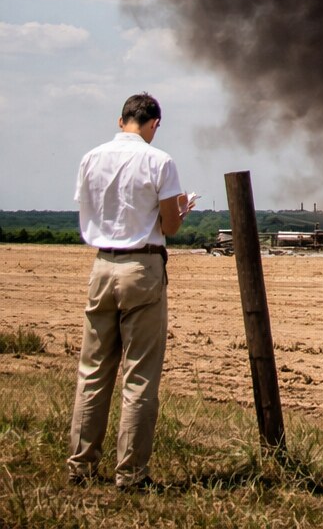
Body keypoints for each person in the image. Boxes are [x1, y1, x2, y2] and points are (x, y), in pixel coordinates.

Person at [67, 92, 195, 490]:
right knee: (139, 376)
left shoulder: (90, 157)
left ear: (120, 119)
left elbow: (88, 208)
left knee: (92, 373)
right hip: (143, 267)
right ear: (154, 123)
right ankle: (132, 475)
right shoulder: (160, 161)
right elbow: (170, 227)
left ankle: (80, 467)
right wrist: (179, 211)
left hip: (101, 265)